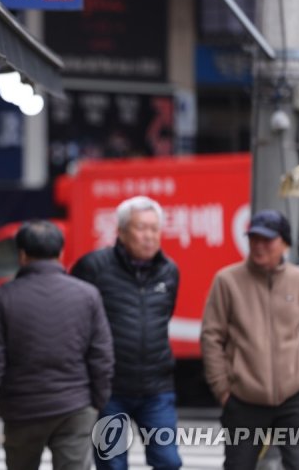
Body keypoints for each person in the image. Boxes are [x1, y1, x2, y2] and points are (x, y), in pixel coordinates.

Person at [0, 220, 114, 470]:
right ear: (61, 253)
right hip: (75, 405)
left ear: (22, 255)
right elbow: (101, 354)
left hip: (22, 408)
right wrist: (98, 401)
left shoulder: (2, 297)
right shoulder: (87, 295)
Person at [201, 209, 299, 470]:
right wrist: (223, 389)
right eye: (254, 238)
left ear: (285, 243)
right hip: (243, 399)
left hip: (295, 398)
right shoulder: (227, 281)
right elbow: (211, 337)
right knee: (238, 466)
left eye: (267, 240)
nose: (259, 246)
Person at [71, 195, 182, 470]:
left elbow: (163, 317)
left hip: (157, 387)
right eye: (141, 228)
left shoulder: (169, 271)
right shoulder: (93, 268)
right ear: (120, 232)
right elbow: (75, 324)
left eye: (155, 229)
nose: (149, 236)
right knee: (112, 465)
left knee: (168, 462)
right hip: (109, 389)